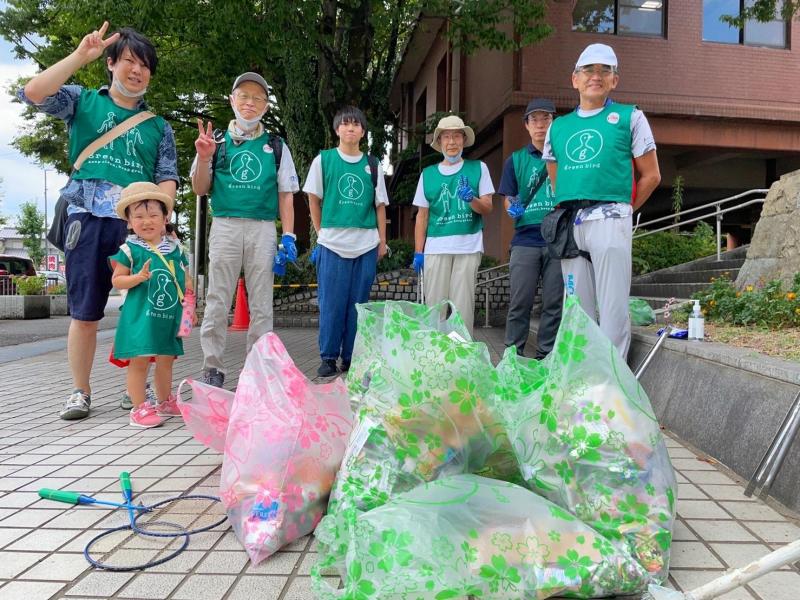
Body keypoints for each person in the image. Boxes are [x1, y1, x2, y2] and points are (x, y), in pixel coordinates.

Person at [19, 23, 178, 420]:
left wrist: (161, 223)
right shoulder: (82, 101)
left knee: (142, 309)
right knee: (85, 312)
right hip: (86, 217)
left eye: (145, 66)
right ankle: (80, 391)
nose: (137, 71)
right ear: (111, 63)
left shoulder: (159, 126)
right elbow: (35, 92)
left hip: (136, 228)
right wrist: (78, 57)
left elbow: (167, 177)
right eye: (129, 61)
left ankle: (135, 386)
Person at [544, 43, 661, 359]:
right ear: (575, 79)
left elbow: (651, 175)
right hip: (571, 221)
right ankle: (582, 379)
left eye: (604, 71)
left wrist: (624, 210)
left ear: (614, 80)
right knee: (576, 311)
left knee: (612, 307)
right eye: (588, 70)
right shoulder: (558, 126)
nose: (596, 76)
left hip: (610, 218)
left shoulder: (629, 117)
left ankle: (611, 386)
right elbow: (556, 174)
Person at [192, 72, 299, 388]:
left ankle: (258, 368)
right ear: (231, 99)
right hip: (225, 225)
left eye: (257, 98)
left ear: (266, 105)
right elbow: (200, 188)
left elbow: (286, 195)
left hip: (263, 228)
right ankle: (212, 366)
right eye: (244, 96)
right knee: (217, 300)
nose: (249, 103)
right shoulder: (217, 143)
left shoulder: (276, 146)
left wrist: (289, 236)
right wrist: (203, 157)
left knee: (262, 303)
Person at [303, 106, 389, 377]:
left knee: (358, 305)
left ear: (363, 132)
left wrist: (382, 241)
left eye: (356, 125)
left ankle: (351, 358)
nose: (350, 128)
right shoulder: (324, 160)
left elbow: (380, 206)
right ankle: (328, 357)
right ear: (337, 129)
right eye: (345, 124)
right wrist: (321, 233)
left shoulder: (373, 165)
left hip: (365, 244)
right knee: (331, 303)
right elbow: (313, 199)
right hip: (332, 244)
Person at [109, 182, 194, 428]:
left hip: (167, 317)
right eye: (139, 216)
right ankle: (139, 408)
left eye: (153, 215)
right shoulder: (129, 249)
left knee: (166, 359)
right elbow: (117, 279)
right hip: (140, 319)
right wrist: (137, 278)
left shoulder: (175, 248)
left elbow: (184, 280)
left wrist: (189, 312)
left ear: (165, 218)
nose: (147, 221)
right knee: (140, 361)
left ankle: (165, 401)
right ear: (129, 221)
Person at [412, 115, 494, 335]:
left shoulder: (478, 168)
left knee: (462, 308)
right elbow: (422, 216)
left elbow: (487, 207)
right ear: (439, 143)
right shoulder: (428, 174)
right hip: (436, 248)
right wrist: (419, 251)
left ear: (463, 140)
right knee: (434, 307)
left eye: (456, 136)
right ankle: (433, 355)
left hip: (468, 246)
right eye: (446, 137)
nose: (451, 142)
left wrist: (471, 199)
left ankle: (462, 355)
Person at [499, 98, 563, 359]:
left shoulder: (565, 155)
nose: (540, 125)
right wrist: (512, 205)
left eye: (545, 118)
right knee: (519, 302)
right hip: (525, 239)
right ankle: (512, 358)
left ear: (553, 122)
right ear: (526, 125)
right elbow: (508, 196)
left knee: (554, 303)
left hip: (559, 237)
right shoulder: (515, 160)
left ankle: (546, 357)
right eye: (534, 119)